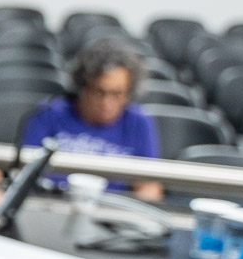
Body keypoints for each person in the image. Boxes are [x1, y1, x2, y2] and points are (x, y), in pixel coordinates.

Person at [21, 35, 164, 201]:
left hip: (113, 210)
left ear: (129, 93)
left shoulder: (138, 122)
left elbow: (148, 186)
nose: (106, 103)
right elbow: (24, 173)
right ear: (82, 87)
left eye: (117, 94)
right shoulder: (48, 113)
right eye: (99, 92)